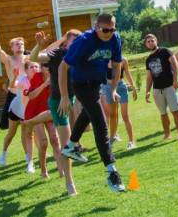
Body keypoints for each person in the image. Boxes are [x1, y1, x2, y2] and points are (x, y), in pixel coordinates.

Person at [58, 13, 126, 193]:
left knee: (88, 114)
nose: (109, 33)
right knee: (100, 123)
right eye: (105, 30)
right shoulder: (84, 40)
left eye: (113, 29)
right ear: (97, 27)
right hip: (80, 84)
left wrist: (112, 88)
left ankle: (71, 146)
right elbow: (62, 67)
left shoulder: (115, 39)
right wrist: (64, 96)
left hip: (96, 83)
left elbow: (118, 64)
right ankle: (112, 172)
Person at [28, 29, 81, 195]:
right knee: (67, 144)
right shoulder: (58, 53)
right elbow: (34, 58)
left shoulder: (81, 55)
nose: (77, 44)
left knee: (68, 128)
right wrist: (38, 45)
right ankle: (69, 182)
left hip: (71, 99)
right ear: (65, 43)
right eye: (73, 41)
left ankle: (29, 121)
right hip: (58, 101)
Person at [0, 35, 27, 166]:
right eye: (16, 44)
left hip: (25, 96)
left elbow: (46, 51)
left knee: (27, 128)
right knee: (8, 128)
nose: (20, 45)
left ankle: (29, 156)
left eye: (21, 43)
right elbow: (0, 53)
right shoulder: (9, 60)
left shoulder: (29, 59)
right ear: (12, 47)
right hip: (13, 96)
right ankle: (3, 152)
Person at [144, 34, 178, 141]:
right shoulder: (148, 59)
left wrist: (175, 80)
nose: (150, 43)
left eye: (152, 40)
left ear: (156, 41)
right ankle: (167, 134)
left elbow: (175, 65)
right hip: (157, 90)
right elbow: (149, 77)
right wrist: (147, 91)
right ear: (146, 44)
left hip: (170, 87)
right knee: (163, 113)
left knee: (175, 111)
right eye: (148, 41)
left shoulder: (165, 51)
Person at [22, 60, 59, 178]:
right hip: (35, 112)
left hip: (49, 110)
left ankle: (61, 168)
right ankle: (43, 170)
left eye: (50, 66)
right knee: (43, 143)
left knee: (55, 139)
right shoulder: (37, 77)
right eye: (45, 66)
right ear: (42, 68)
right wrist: (44, 85)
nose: (48, 68)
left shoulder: (56, 77)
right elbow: (31, 96)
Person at [102, 57, 137, 150]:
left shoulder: (123, 59)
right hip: (108, 87)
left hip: (121, 87)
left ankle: (131, 141)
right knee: (112, 115)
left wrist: (133, 87)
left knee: (125, 116)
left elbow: (128, 73)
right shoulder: (103, 59)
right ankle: (112, 138)